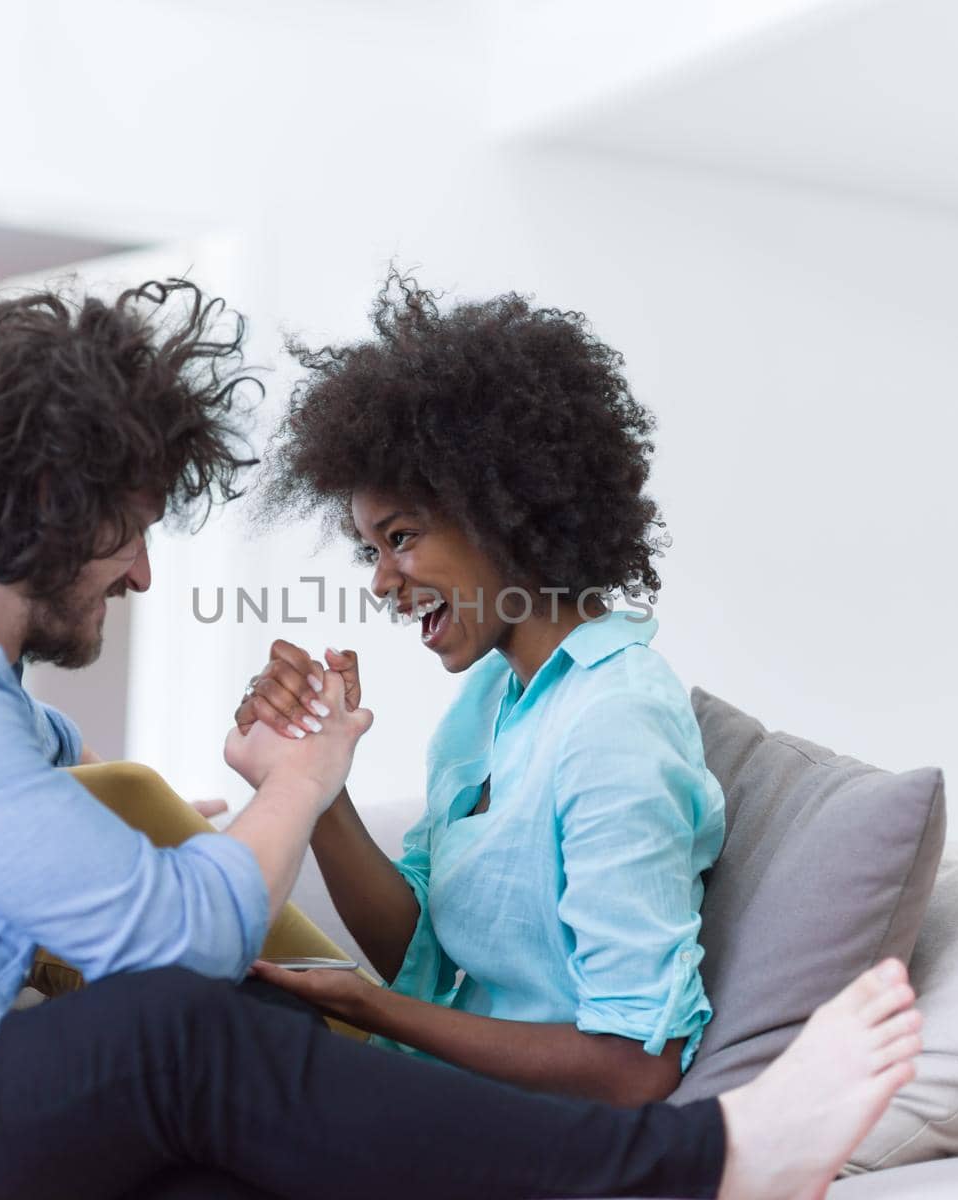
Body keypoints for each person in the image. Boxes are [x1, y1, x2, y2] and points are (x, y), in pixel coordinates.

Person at [0, 280, 921, 1200]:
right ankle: (709, 1172)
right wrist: (298, 787)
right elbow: (173, 926)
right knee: (169, 1031)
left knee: (204, 1139)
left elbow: (26, 766)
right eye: (129, 524)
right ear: (39, 505)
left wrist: (291, 800)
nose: (137, 572)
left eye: (400, 537)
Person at [236, 274, 721, 1105]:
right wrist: (316, 784)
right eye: (372, 553)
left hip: (537, 1133)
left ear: (503, 507)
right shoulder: (490, 702)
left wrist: (373, 1011)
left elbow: (633, 1066)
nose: (384, 583)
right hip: (449, 1099)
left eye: (402, 538)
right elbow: (420, 950)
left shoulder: (618, 718)